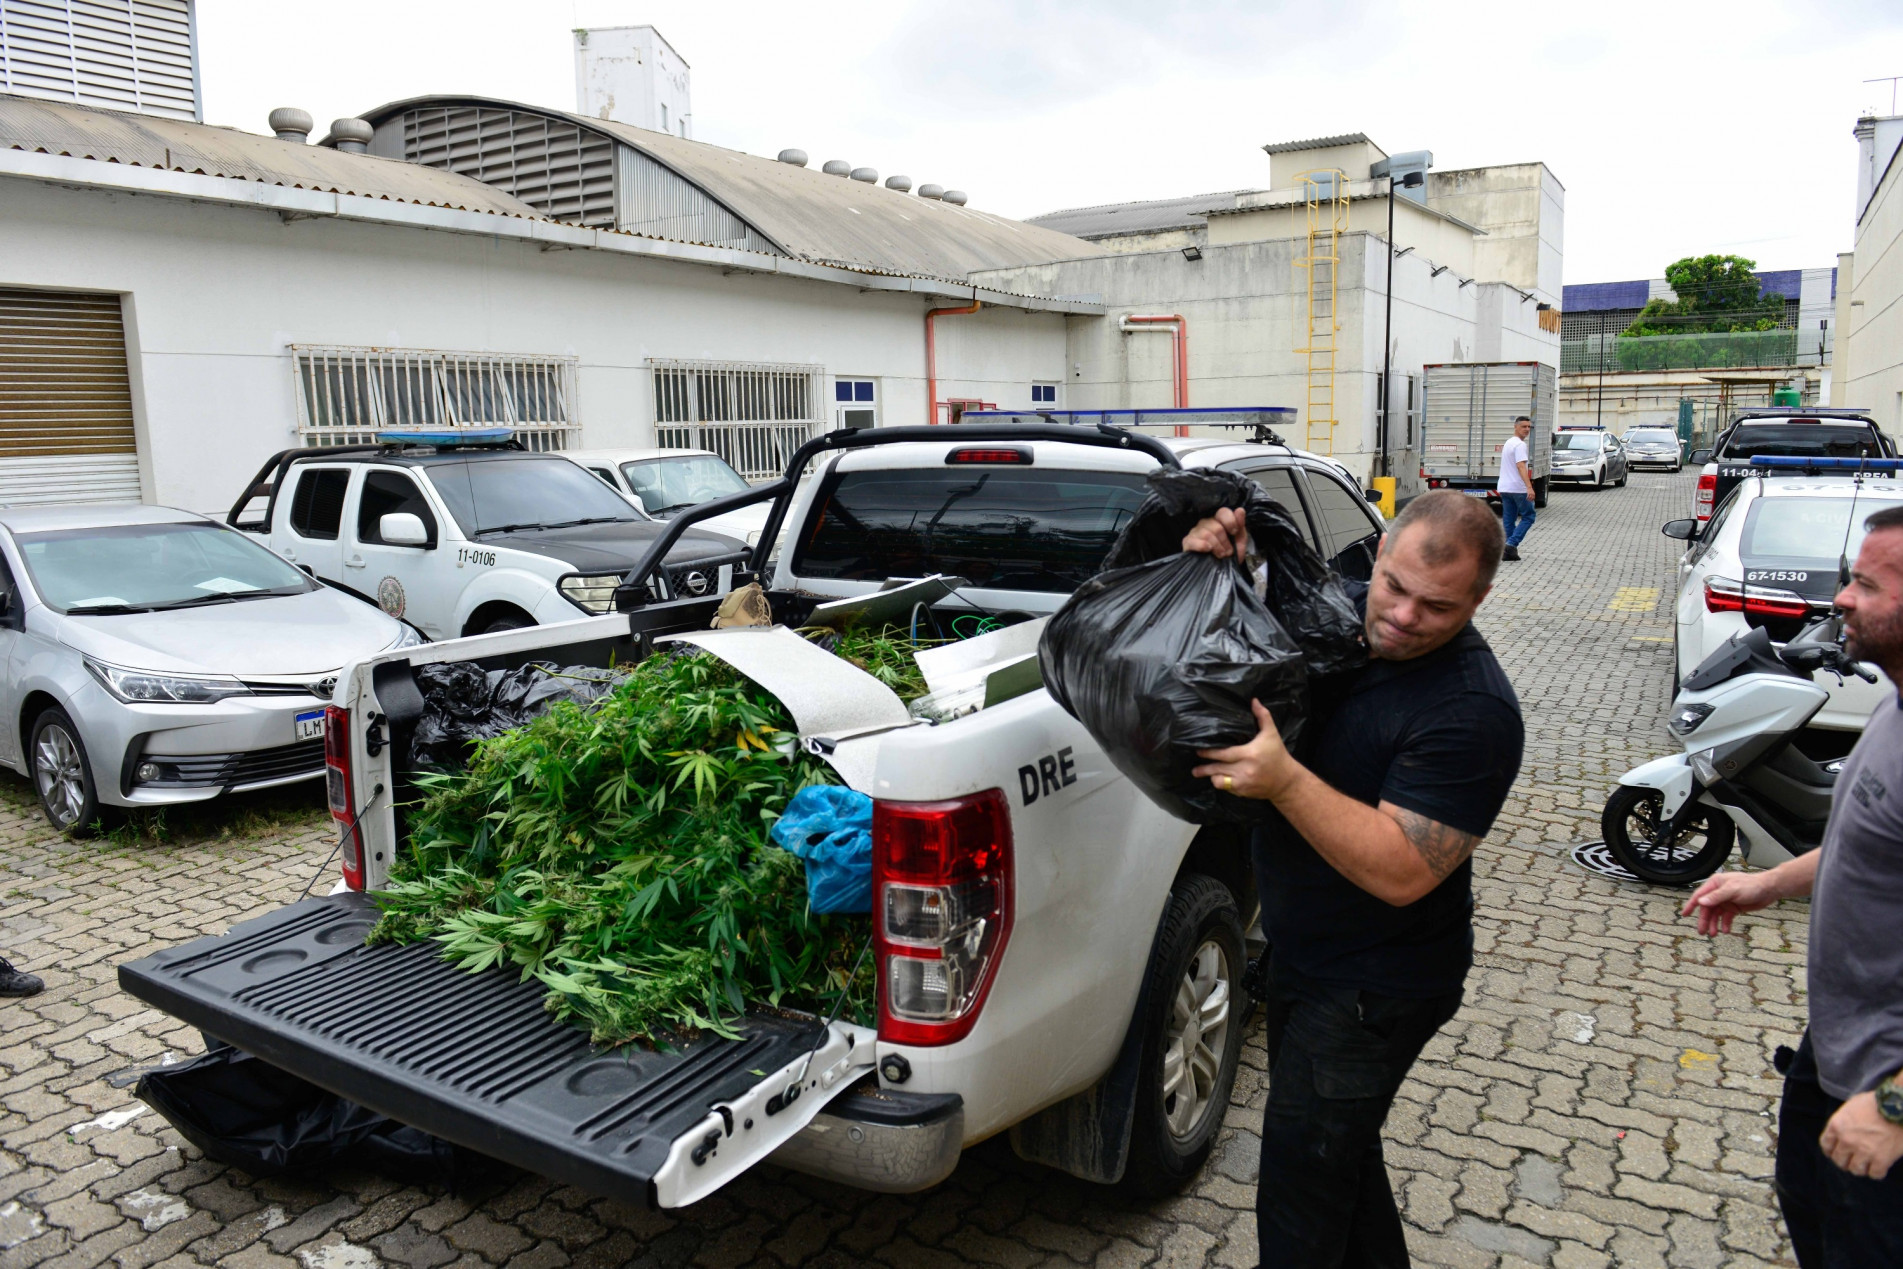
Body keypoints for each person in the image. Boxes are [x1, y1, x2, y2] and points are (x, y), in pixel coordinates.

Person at [1183, 490, 1523, 1267]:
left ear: (1478, 599)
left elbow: (1403, 870)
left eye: (1434, 607)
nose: (1400, 616)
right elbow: (1261, 627)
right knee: (1341, 1164)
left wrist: (1282, 780)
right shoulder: (1344, 613)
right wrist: (1226, 563)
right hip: (1310, 956)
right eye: (1393, 585)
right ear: (1379, 555)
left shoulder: (1471, 711)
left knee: (1301, 1197)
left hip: (1376, 987)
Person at [1681, 503, 1903, 1266]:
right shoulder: (1895, 707)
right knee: (1810, 1214)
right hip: (1840, 1047)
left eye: (1867, 586)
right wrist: (1768, 882)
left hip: (1886, 1087)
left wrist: (1893, 1104)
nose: (1840, 597)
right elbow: (1864, 847)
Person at [1497, 415, 1535, 561]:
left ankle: (1508, 552)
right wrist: (1529, 487)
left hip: (1504, 487)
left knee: (1509, 518)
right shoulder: (1520, 445)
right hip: (1518, 488)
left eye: (1528, 427)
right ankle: (1511, 543)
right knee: (1529, 516)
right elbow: (1521, 466)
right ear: (1515, 426)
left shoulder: (1509, 443)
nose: (1526, 429)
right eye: (1523, 426)